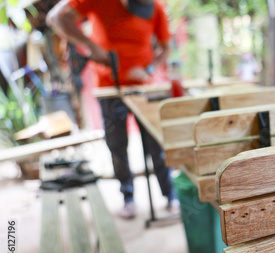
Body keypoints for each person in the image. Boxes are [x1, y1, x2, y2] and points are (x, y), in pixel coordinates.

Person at [46, 0, 179, 218]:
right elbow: (56, 17)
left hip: (143, 89)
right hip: (109, 87)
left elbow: (166, 48)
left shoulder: (155, 7)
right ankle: (128, 198)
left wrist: (149, 68)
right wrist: (90, 45)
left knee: (156, 143)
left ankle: (170, 195)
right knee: (117, 145)